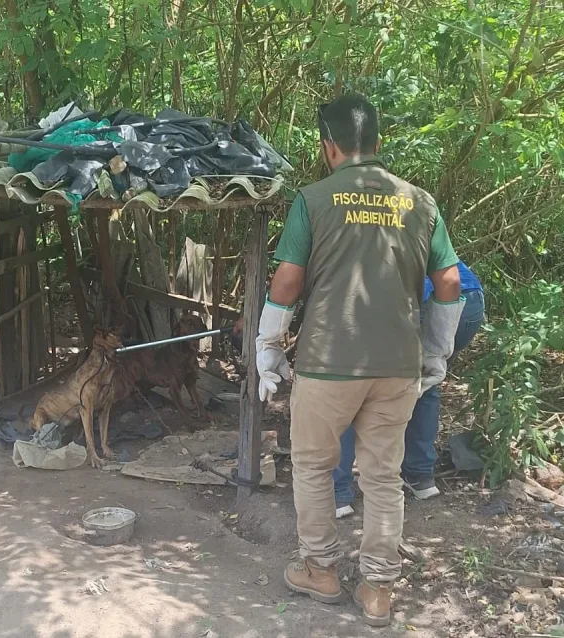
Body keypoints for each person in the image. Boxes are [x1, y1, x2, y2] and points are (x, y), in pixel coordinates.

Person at [255, 93, 464, 627]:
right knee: (383, 477)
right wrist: (437, 352)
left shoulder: (314, 199)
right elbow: (448, 281)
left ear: (328, 146)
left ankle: (321, 571)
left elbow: (288, 281)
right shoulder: (418, 201)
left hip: (330, 362)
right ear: (378, 143)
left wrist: (268, 348)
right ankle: (377, 589)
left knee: (313, 466)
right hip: (398, 365)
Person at [334, 261, 484, 518]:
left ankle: (337, 493)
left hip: (424, 300)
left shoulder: (354, 226)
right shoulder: (420, 221)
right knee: (424, 382)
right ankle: (421, 477)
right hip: (468, 301)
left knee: (351, 385)